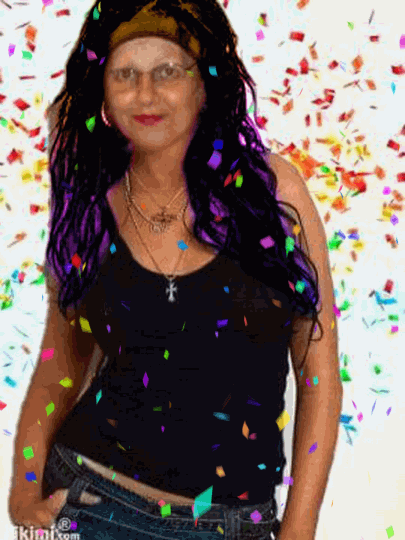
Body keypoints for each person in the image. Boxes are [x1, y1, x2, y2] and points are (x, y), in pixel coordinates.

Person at [9, 1, 325, 538]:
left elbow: (318, 377)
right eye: (125, 75)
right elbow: (59, 365)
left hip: (232, 525)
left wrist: (298, 532)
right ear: (104, 92)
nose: (146, 94)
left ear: (204, 86)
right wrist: (23, 493)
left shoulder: (274, 192)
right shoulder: (92, 209)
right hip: (92, 503)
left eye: (167, 72)